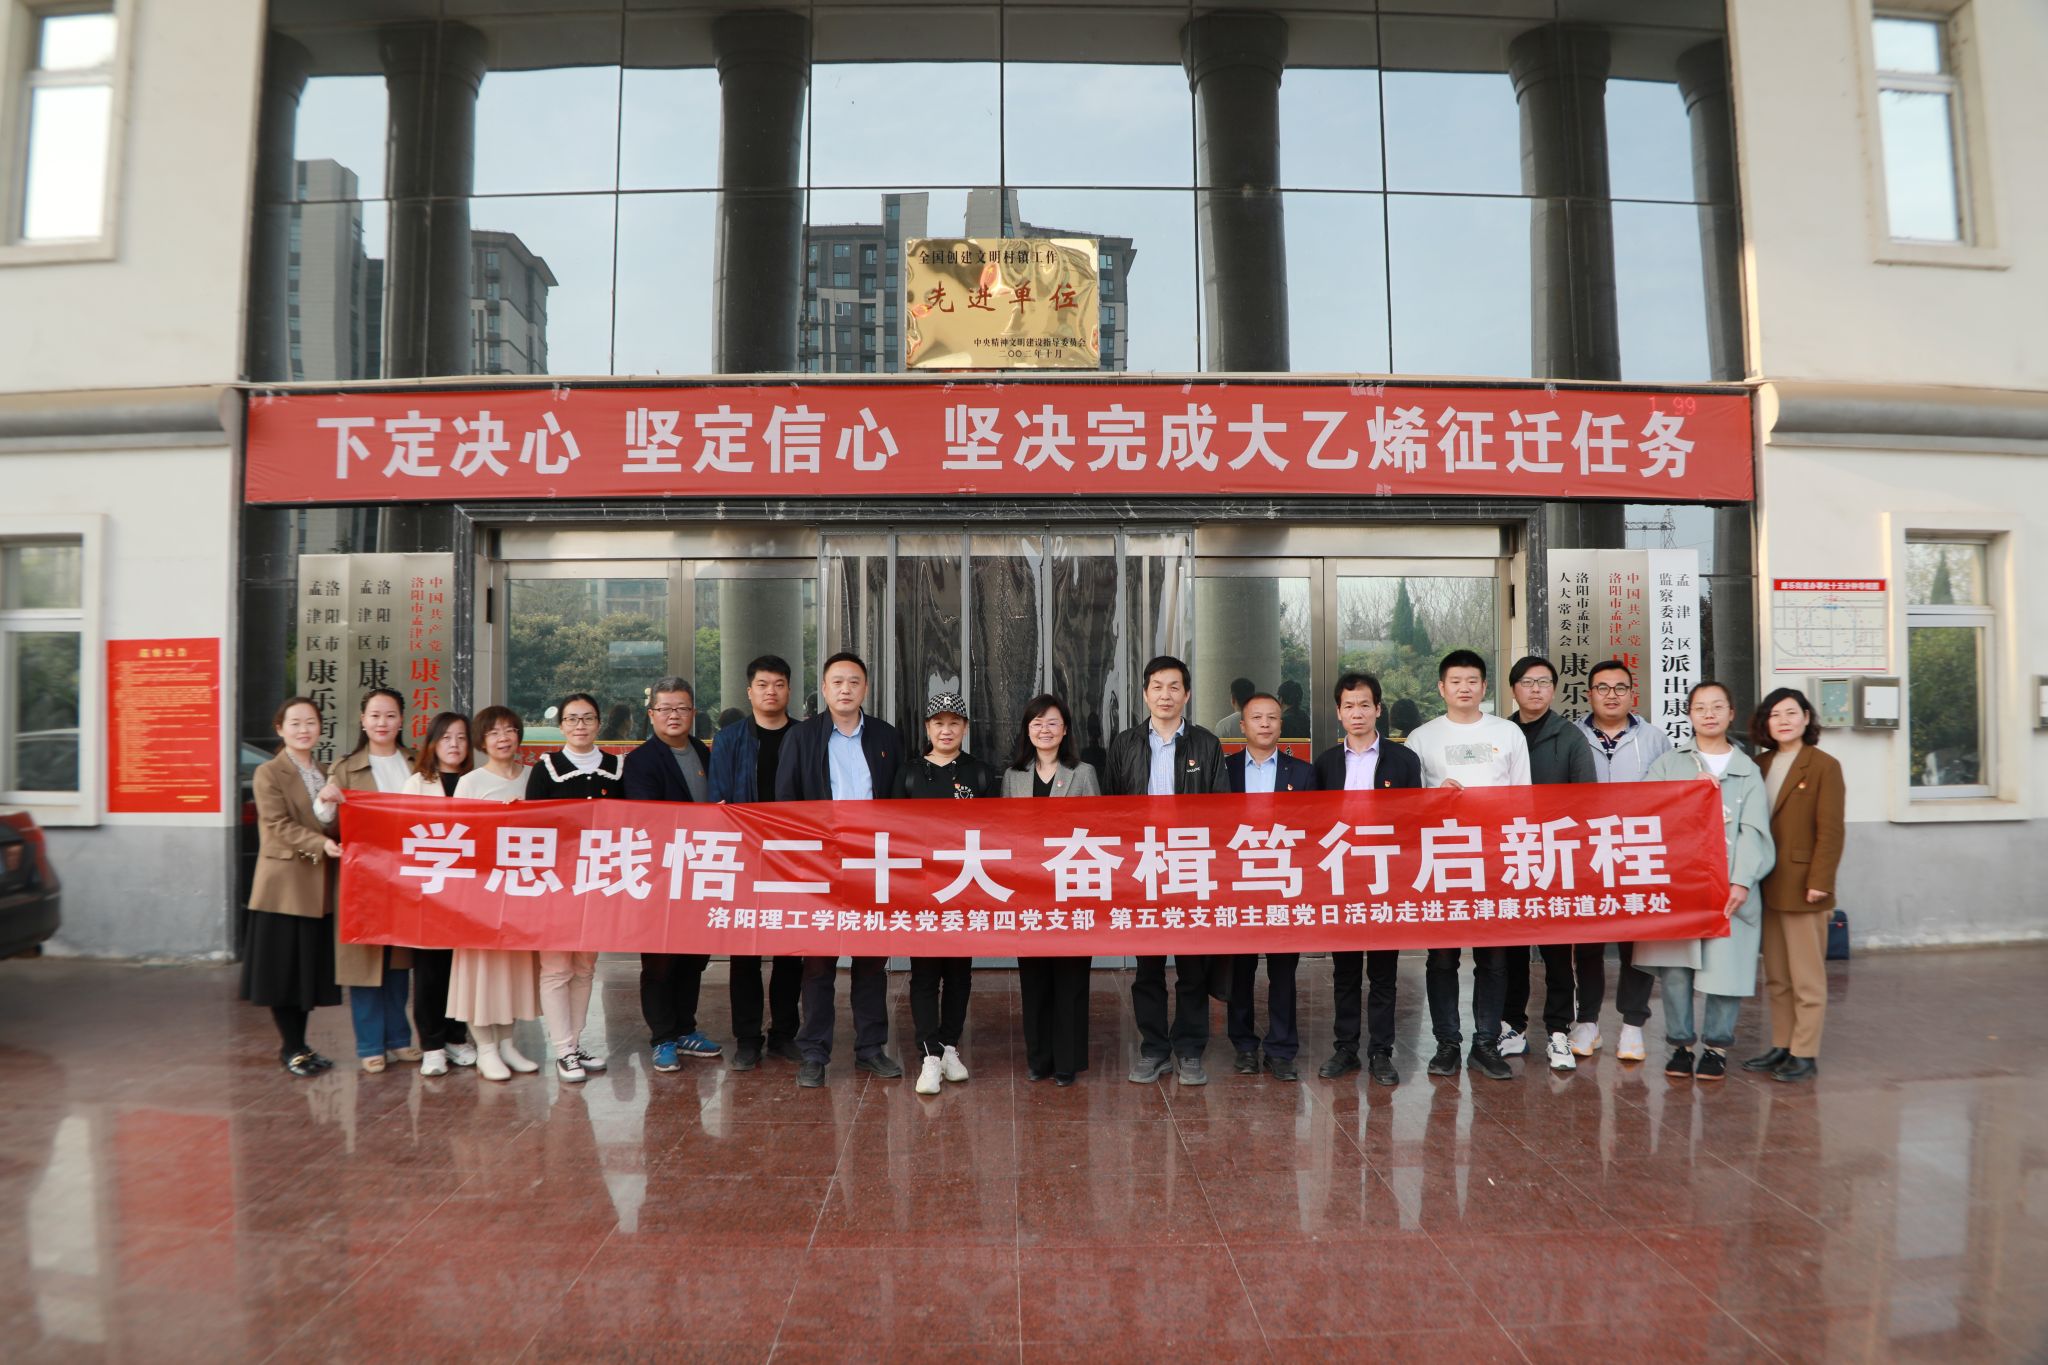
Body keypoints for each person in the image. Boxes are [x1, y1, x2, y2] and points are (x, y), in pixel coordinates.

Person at [1634, 682, 1776, 1082]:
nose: (1709, 714)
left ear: (1731, 713)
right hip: (1679, 885)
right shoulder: (1669, 764)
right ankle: (1680, 1044)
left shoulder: (1747, 770)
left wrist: (1742, 882)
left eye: (1717, 706)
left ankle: (1716, 1046)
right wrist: (1685, 793)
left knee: (1726, 970)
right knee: (1675, 971)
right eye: (1700, 707)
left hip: (1728, 887)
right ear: (1689, 714)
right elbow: (1645, 810)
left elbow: (1754, 831)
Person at [777, 652, 904, 1088]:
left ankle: (871, 1049)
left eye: (853, 681)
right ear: (825, 689)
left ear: (865, 688)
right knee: (818, 965)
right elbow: (786, 803)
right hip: (821, 864)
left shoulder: (886, 736)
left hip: (873, 863)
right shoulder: (802, 737)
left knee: (871, 962)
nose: (845, 689)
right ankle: (814, 1052)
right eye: (837, 681)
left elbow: (901, 804)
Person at [1406, 649, 1530, 1082]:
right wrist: (1433, 795)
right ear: (1441, 687)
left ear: (1484, 686)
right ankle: (1446, 1044)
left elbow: (1524, 798)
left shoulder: (1508, 733)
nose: (1464, 688)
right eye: (1455, 681)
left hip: (1495, 859)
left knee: (1493, 958)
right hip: (1443, 860)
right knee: (1442, 957)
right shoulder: (1421, 738)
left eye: (1472, 680)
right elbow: (1407, 805)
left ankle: (1485, 1043)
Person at [1105, 654, 1227, 1087]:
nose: (1165, 695)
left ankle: (1190, 1050)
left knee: (1193, 966)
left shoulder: (1207, 745)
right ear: (1145, 694)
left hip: (1191, 866)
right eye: (1157, 686)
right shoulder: (1125, 744)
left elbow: (1222, 811)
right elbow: (1112, 811)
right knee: (1148, 967)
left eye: (1174, 687)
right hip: (1143, 869)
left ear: (1187, 694)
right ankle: (1154, 1048)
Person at [1311, 671, 1422, 1086]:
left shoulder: (1403, 761)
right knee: (1344, 971)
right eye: (1348, 706)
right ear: (1338, 713)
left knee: (1383, 972)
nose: (1356, 713)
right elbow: (1313, 826)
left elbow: (1414, 821)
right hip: (1342, 878)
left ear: (1378, 709)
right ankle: (1345, 1048)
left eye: (1364, 705)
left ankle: (1381, 1051)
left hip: (1385, 878)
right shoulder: (1325, 764)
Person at [1500, 655, 1600, 1073]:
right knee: (1512, 948)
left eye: (1543, 682)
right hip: (1509, 854)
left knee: (1557, 948)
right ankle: (1512, 1026)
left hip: (1555, 855)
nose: (1536, 689)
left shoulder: (1570, 736)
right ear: (1513, 689)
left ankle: (1558, 1029)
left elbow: (1586, 800)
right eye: (1527, 682)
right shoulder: (1500, 734)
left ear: (1554, 689)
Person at [894, 691, 997, 1094]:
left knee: (958, 974)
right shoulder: (908, 773)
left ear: (965, 728)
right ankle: (929, 1055)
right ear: (928, 728)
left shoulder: (980, 773)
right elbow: (892, 832)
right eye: (939, 723)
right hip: (921, 890)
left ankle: (950, 1046)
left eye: (954, 723)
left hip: (966, 887)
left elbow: (996, 831)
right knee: (924, 974)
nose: (946, 730)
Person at [1570, 659, 1673, 1062]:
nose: (1611, 695)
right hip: (1587, 852)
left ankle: (1633, 1025)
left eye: (1619, 688)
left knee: (1637, 942)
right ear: (1589, 694)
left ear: (1633, 694)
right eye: (1602, 687)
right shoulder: (1573, 735)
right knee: (1588, 941)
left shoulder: (1655, 739)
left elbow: (1672, 793)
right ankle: (1588, 1021)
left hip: (1638, 852)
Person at [1744, 687, 1845, 1084]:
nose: (1783, 721)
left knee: (1807, 977)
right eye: (1775, 714)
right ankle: (1782, 1044)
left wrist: (1821, 880)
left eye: (1791, 712)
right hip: (1767, 884)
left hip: (1804, 887)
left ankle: (1805, 1051)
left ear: (1806, 717)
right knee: (1777, 975)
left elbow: (1831, 831)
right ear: (1765, 723)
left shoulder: (1823, 766)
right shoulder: (1760, 764)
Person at [708, 654, 805, 1071]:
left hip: (793, 858)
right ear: (749, 692)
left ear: (789, 690)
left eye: (779, 684)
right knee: (744, 953)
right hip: (743, 858)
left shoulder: (804, 736)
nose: (771, 691)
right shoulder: (729, 739)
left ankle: (784, 1033)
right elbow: (718, 800)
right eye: (763, 684)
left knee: (790, 951)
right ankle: (747, 1038)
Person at [314, 687, 418, 1072]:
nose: (382, 723)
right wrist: (326, 801)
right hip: (363, 879)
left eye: (390, 715)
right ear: (362, 720)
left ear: (401, 720)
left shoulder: (416, 762)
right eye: (375, 715)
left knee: (398, 962)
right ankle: (371, 1044)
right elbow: (328, 823)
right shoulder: (345, 767)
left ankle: (400, 1039)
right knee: (364, 962)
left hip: (406, 877)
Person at [524, 692, 624, 1082]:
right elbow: (533, 829)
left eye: (587, 718)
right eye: (572, 719)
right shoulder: (545, 768)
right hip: (556, 883)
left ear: (598, 723)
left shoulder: (617, 767)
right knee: (556, 967)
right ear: (561, 725)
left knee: (585, 966)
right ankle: (563, 1049)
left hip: (598, 881)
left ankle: (577, 1043)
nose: (580, 725)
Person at [241, 697, 343, 1077]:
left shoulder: (324, 772)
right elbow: (277, 825)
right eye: (295, 723)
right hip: (283, 888)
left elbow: (329, 822)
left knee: (304, 972)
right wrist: (322, 844)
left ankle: (302, 1044)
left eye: (310, 722)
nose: (304, 729)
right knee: (282, 973)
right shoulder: (269, 772)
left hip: (316, 886)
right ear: (280, 729)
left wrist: (336, 824)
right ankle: (291, 1048)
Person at [623, 676, 721, 1072]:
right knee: (660, 961)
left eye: (681, 708)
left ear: (693, 713)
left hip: (700, 871)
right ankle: (662, 1036)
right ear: (652, 715)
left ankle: (685, 1029)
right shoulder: (641, 761)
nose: (673, 715)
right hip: (661, 875)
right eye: (665, 709)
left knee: (693, 956)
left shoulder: (703, 752)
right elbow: (647, 816)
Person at [1002, 694, 1100, 1086]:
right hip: (1028, 892)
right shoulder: (1013, 776)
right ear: (1027, 730)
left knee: (1071, 979)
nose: (1045, 730)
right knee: (1035, 979)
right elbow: (1005, 835)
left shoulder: (1083, 773)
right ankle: (1039, 1058)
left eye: (1052, 722)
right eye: (1037, 723)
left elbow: (1097, 831)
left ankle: (1067, 1062)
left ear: (1065, 730)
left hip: (1072, 890)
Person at [1224, 692, 1319, 1082]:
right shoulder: (1225, 770)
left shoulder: (1304, 773)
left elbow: (1314, 829)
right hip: (1237, 881)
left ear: (1282, 725)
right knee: (1240, 969)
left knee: (1283, 971)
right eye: (1256, 718)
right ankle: (1244, 1045)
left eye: (1272, 718)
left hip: (1284, 883)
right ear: (1242, 726)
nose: (1265, 724)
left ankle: (1281, 1049)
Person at [449, 706, 544, 1082]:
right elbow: (459, 839)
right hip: (482, 894)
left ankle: (507, 1044)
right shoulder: (470, 782)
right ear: (482, 740)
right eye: (493, 733)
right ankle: (485, 1048)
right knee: (481, 972)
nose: (503, 738)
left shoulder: (534, 777)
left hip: (522, 891)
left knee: (514, 971)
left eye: (509, 730)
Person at [398, 711, 480, 1076]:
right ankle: (431, 1044)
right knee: (429, 971)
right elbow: (402, 834)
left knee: (460, 969)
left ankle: (456, 1037)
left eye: (461, 737)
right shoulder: (417, 784)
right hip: (429, 893)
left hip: (468, 894)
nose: (454, 744)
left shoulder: (476, 781)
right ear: (432, 743)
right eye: (446, 737)